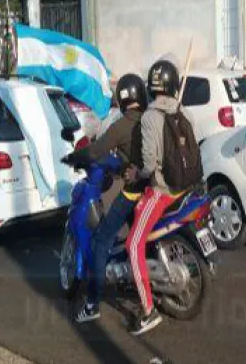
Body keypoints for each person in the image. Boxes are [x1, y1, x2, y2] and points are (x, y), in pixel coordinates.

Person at [125, 58, 202, 336]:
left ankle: (148, 311)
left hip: (162, 194)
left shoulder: (149, 118)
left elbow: (148, 165)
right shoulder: (186, 113)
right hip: (188, 188)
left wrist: (135, 175)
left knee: (132, 245)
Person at [71, 73, 148, 324]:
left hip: (134, 190)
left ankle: (92, 305)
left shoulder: (121, 126)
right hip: (155, 188)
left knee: (101, 240)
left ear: (123, 99)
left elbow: (96, 150)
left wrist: (75, 157)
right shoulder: (151, 119)